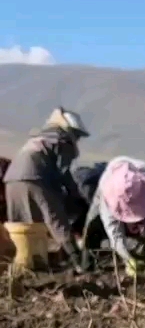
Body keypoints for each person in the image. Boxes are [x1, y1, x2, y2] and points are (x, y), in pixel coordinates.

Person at [4, 108, 90, 271]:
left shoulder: (39, 139)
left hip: (12, 179)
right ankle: (78, 262)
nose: (77, 139)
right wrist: (76, 195)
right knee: (57, 220)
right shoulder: (63, 142)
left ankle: (22, 265)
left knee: (24, 223)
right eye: (76, 134)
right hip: (37, 178)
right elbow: (64, 173)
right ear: (69, 130)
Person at [80, 157, 145, 276]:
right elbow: (115, 234)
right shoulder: (107, 191)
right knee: (91, 222)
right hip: (110, 177)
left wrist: (144, 234)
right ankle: (87, 267)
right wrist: (127, 258)